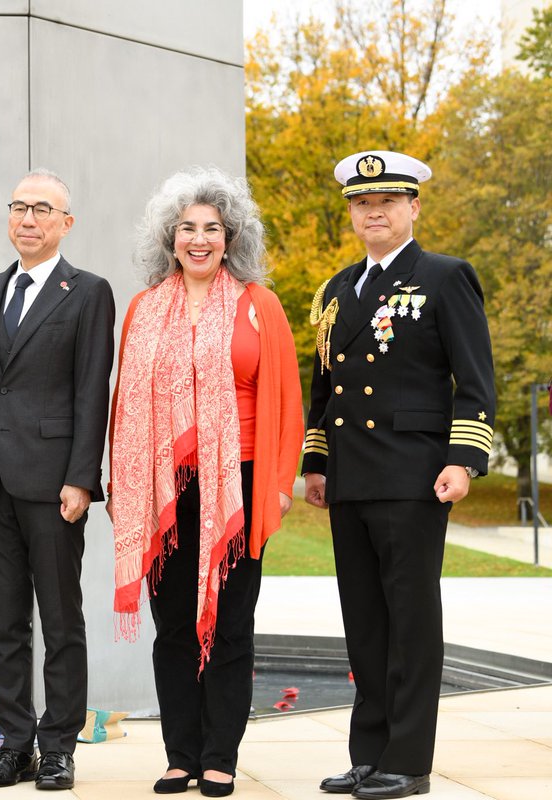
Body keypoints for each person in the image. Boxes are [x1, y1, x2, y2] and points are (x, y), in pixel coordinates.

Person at [304, 151, 495, 800]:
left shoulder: (444, 278)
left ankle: (407, 762)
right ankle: (368, 757)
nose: (374, 211)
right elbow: (325, 389)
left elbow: (474, 381)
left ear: (413, 207)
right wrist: (316, 464)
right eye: (362, 203)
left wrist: (463, 458)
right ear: (352, 213)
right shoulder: (335, 290)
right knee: (365, 625)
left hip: (415, 476)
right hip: (352, 479)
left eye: (387, 200)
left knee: (411, 626)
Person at [107, 168, 303, 797]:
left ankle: (220, 756)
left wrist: (275, 483)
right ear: (170, 238)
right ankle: (180, 755)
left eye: (212, 229)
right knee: (174, 627)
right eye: (187, 228)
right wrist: (125, 484)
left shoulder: (258, 305)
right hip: (162, 486)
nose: (199, 239)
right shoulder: (143, 308)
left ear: (230, 237)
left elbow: (287, 402)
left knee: (229, 624)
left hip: (239, 484)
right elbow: (125, 405)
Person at [0, 168, 115, 791]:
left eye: (42, 209)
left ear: (65, 223)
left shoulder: (87, 291)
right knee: (6, 621)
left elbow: (89, 391)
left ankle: (58, 747)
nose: (28, 219)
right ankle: (14, 743)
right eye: (20, 207)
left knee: (60, 620)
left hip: (54, 486)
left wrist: (82, 478)